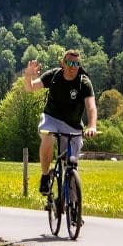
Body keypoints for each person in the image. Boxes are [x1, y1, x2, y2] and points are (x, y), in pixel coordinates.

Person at [24, 49, 97, 194]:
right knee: (48, 137)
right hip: (51, 118)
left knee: (71, 165)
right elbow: (30, 88)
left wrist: (92, 126)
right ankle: (45, 176)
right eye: (69, 63)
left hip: (73, 126)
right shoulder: (54, 76)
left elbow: (91, 107)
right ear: (62, 63)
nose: (72, 67)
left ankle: (73, 206)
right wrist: (28, 75)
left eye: (76, 64)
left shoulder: (83, 82)